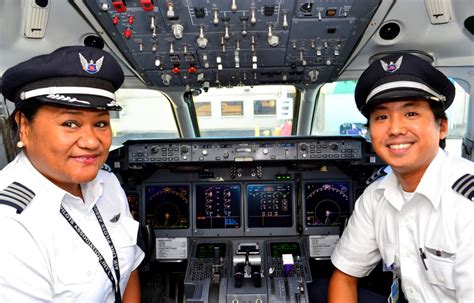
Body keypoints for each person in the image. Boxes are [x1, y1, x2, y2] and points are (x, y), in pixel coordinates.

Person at [0, 46, 144, 302]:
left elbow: (128, 269)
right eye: (70, 124)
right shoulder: (10, 224)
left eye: (100, 123)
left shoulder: (108, 183)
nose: (91, 141)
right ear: (23, 126)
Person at [327, 53, 474, 302]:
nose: (395, 129)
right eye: (382, 117)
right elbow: (345, 277)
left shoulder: (465, 203)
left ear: (442, 127)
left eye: (411, 114)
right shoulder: (376, 197)